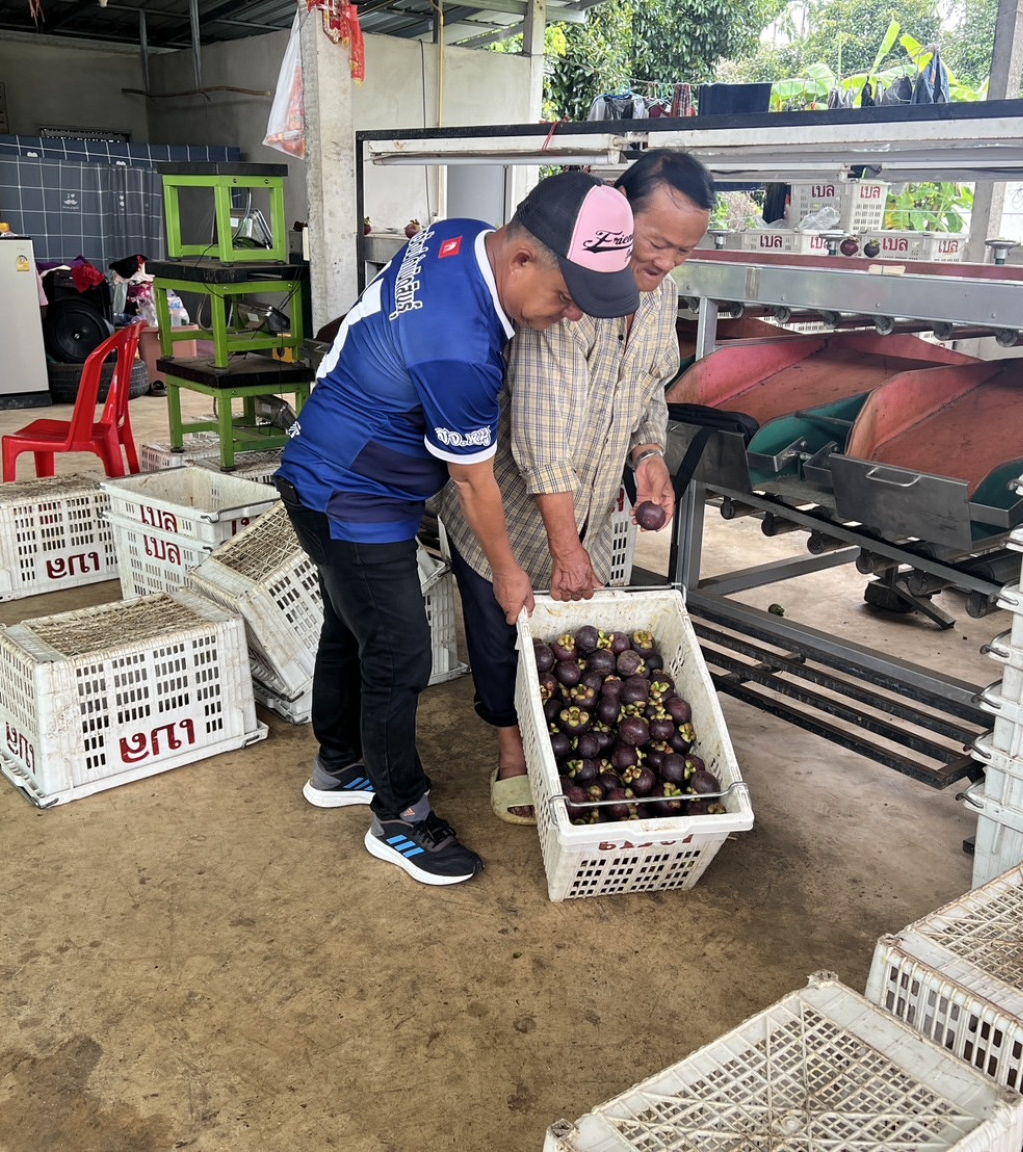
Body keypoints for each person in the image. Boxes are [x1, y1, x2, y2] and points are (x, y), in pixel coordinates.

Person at [275, 172, 639, 886]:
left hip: (326, 467)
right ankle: (401, 818)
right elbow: (473, 484)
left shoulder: (460, 235)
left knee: (352, 627)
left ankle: (338, 763)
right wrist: (509, 572)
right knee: (399, 653)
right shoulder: (459, 348)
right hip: (350, 494)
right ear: (523, 258)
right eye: (566, 296)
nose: (571, 315)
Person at [438, 150, 714, 824]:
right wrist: (566, 549)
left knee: (558, 642)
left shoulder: (661, 297)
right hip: (507, 503)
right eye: (656, 243)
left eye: (683, 251)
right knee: (501, 623)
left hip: (584, 504)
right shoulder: (568, 291)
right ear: (618, 216)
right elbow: (540, 439)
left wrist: (648, 454)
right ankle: (511, 751)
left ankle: (553, 733)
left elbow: (650, 388)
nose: (666, 263)